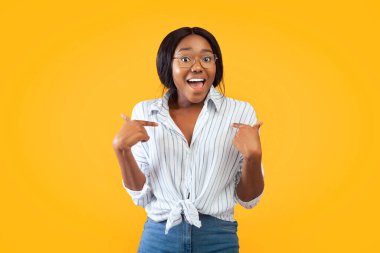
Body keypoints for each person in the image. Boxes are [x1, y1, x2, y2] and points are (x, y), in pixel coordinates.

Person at [112, 27, 265, 253]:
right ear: (168, 65)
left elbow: (248, 200)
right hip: (158, 237)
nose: (197, 66)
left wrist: (253, 157)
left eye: (206, 58)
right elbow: (142, 197)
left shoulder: (240, 113)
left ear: (216, 64)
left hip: (218, 238)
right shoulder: (145, 112)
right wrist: (121, 150)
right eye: (185, 58)